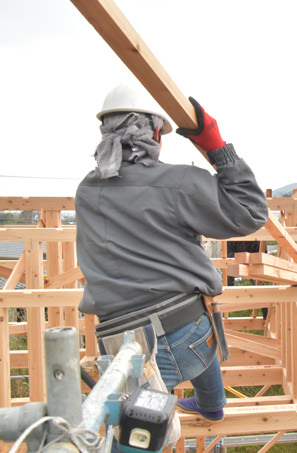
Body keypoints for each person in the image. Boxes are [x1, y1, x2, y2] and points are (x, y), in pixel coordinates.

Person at [75, 82, 269, 429]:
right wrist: (216, 149)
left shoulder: (87, 191)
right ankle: (211, 403)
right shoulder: (177, 182)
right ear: (154, 132)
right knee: (137, 433)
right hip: (184, 336)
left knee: (127, 422)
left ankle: (211, 403)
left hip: (117, 335)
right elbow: (251, 211)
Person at [227, 240, 268, 319]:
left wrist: (248, 259)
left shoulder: (257, 239)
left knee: (259, 285)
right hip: (236, 262)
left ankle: (266, 313)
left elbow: (262, 254)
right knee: (228, 276)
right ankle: (225, 307)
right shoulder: (232, 237)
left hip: (252, 264)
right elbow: (229, 254)